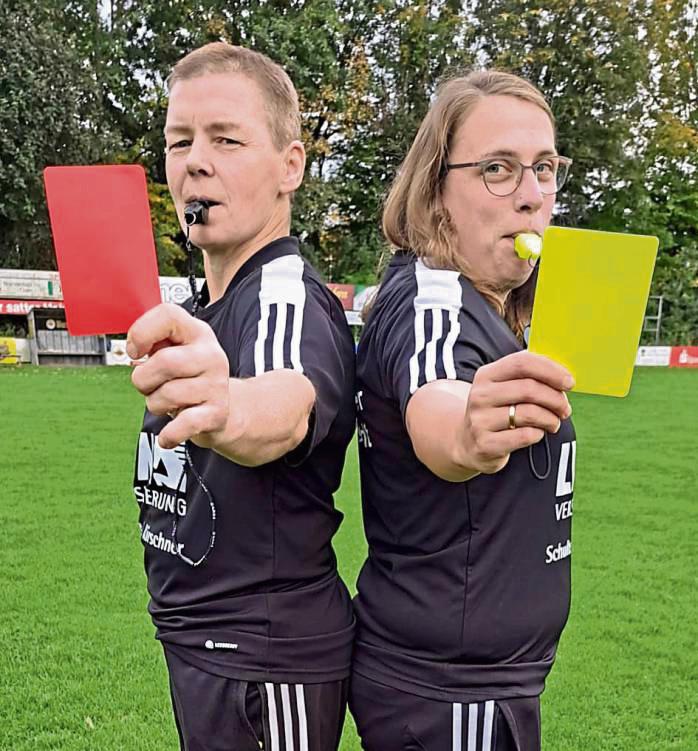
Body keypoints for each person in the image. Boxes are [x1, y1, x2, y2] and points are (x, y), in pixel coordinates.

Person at [127, 42, 355, 751]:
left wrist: (226, 406)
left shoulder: (284, 293)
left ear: (291, 167)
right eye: (180, 140)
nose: (196, 160)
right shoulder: (203, 307)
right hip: (205, 643)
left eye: (227, 139)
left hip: (264, 661)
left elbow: (285, 404)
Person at [349, 70, 577, 751]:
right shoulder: (434, 301)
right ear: (437, 190)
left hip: (475, 683)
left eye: (544, 168)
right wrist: (470, 429)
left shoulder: (488, 305)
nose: (532, 194)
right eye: (498, 170)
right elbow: (439, 405)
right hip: (450, 692)